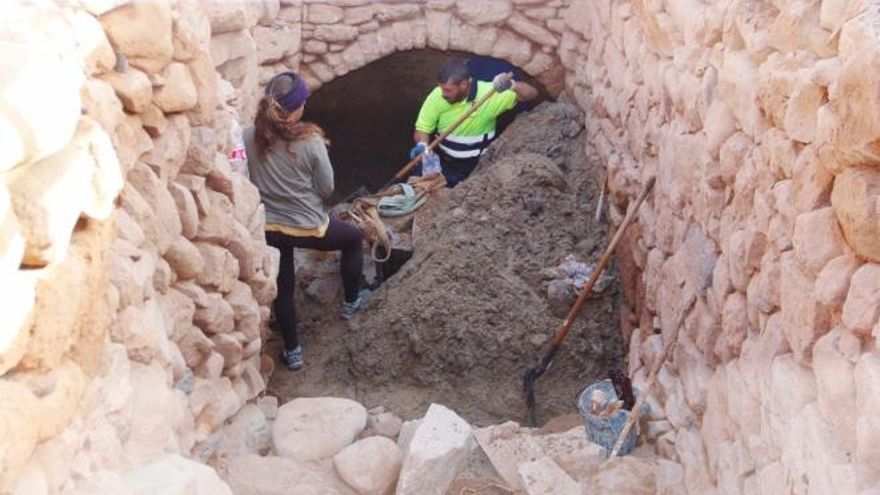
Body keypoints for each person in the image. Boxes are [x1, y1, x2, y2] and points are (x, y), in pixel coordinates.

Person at [243, 71, 370, 371]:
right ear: (297, 108)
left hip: (269, 228)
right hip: (308, 225)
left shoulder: (249, 136)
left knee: (283, 288)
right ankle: (352, 303)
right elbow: (326, 188)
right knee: (352, 238)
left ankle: (293, 351)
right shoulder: (311, 140)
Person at [410, 59, 538, 187]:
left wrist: (512, 85)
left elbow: (531, 94)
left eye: (448, 90)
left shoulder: (489, 95)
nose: (443, 94)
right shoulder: (437, 96)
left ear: (464, 85)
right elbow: (423, 128)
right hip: (443, 161)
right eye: (442, 89)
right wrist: (422, 145)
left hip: (476, 167)